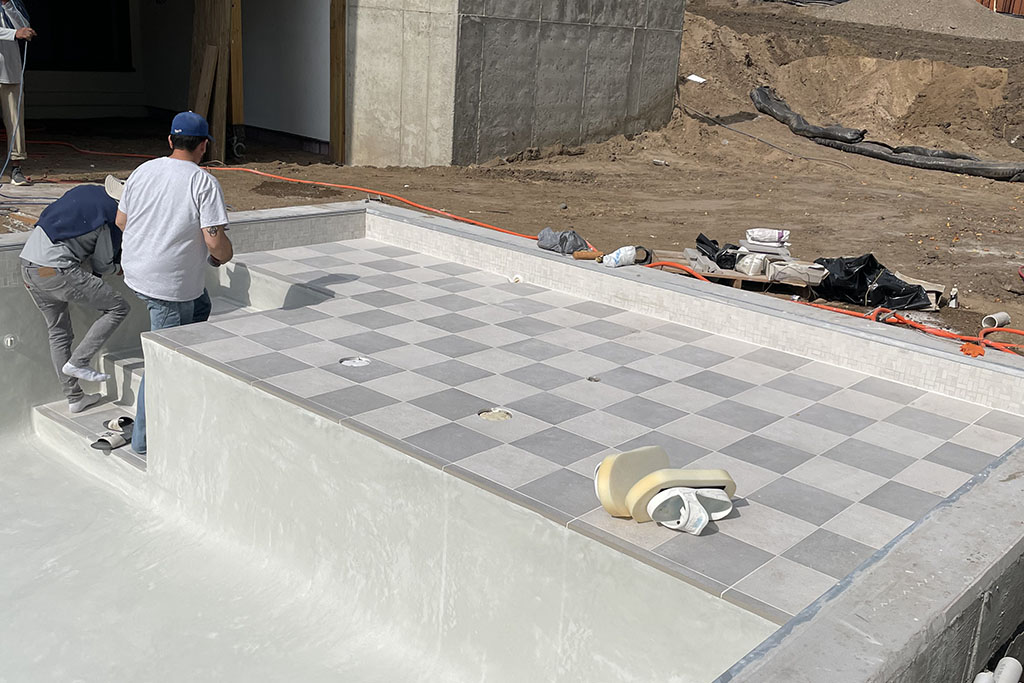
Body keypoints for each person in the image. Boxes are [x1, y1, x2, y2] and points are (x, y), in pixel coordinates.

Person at [116, 111, 233, 456]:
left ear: (170, 141)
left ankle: (185, 377)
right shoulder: (202, 181)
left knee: (201, 305)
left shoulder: (143, 171)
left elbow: (121, 221)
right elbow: (215, 244)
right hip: (167, 286)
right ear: (204, 145)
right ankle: (145, 440)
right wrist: (224, 255)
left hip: (137, 272)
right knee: (161, 361)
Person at [20, 176, 131, 413]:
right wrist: (119, 268)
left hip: (29, 267)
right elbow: (103, 264)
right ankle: (79, 361)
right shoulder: (110, 215)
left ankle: (74, 398)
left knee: (58, 332)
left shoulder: (84, 192)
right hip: (55, 270)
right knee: (118, 307)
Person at [0, 0, 34, 186]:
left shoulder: (14, 4)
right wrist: (14, 33)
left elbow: (25, 29)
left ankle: (16, 168)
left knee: (15, 122)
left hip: (10, 70)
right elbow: (17, 33)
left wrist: (7, 5)